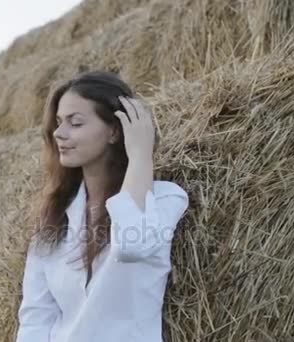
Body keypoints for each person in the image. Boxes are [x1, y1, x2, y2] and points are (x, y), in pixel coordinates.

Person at [15, 70, 189, 342]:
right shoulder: (55, 215)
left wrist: (141, 155)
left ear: (114, 131)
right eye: (59, 122)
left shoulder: (165, 199)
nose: (59, 133)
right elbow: (36, 316)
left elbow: (134, 245)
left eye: (75, 123)